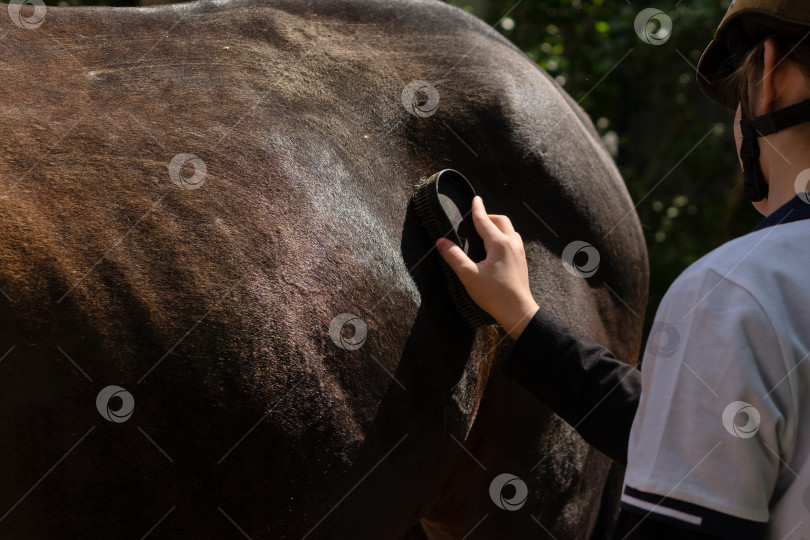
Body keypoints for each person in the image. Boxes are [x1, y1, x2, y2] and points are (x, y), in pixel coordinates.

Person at [436, 1, 810, 539]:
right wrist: (525, 319)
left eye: (738, 90)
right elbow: (689, 432)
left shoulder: (738, 293)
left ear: (771, 75)